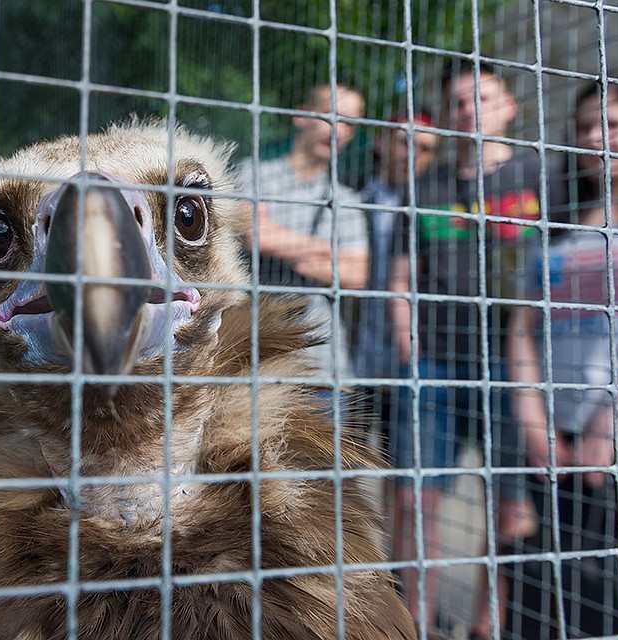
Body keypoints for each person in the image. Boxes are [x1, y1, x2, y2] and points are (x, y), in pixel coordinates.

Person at [508, 81, 618, 639]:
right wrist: (534, 420)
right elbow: (521, 327)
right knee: (569, 591)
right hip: (556, 440)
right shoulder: (552, 230)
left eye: (613, 124)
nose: (595, 138)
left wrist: (613, 424)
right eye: (584, 126)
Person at [388, 60, 540, 637]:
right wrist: (408, 340)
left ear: (508, 107)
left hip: (513, 366)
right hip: (435, 364)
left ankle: (486, 625)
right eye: (456, 102)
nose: (468, 110)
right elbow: (399, 277)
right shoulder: (423, 189)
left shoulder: (538, 177)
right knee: (415, 501)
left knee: (509, 507)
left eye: (482, 98)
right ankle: (415, 623)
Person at [241, 83, 369, 391]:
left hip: (322, 362)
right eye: (330, 116)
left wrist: (282, 242)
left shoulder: (347, 200)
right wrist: (328, 251)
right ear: (301, 116)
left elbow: (355, 275)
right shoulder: (253, 174)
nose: (338, 130)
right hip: (257, 356)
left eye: (349, 123)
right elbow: (256, 236)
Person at [351, 112, 439, 452]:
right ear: (382, 142)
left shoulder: (430, 207)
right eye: (405, 142)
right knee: (345, 462)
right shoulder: (352, 194)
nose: (413, 153)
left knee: (398, 465)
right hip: (355, 353)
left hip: (405, 356)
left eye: (425, 148)